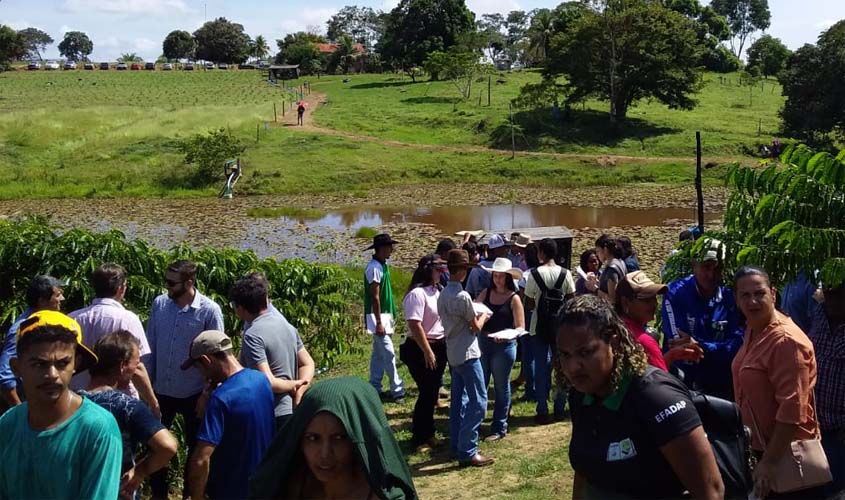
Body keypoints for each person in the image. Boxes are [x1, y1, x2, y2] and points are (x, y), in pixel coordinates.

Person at [558, 295, 724, 500]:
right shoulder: (581, 395)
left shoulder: (655, 397)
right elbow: (585, 471)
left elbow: (711, 492)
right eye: (565, 355)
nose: (574, 366)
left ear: (615, 343)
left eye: (585, 352)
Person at [0, 311, 123, 499]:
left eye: (62, 363)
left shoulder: (97, 429)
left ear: (76, 363)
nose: (52, 374)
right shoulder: (8, 424)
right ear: (16, 367)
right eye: (39, 364)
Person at [731, 266, 826, 499]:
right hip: (759, 449)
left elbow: (793, 411)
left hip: (786, 455)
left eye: (759, 293)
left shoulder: (786, 341)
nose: (753, 301)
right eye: (745, 295)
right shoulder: (754, 329)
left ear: (773, 294)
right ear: (736, 299)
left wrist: (770, 463)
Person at [249, 377, 418, 499]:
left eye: (338, 438)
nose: (325, 454)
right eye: (313, 438)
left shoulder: (381, 495)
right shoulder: (287, 487)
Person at [146, 260, 224, 499]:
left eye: (172, 283)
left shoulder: (209, 310)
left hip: (194, 393)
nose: (167, 287)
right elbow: (150, 347)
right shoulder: (160, 304)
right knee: (156, 445)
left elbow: (218, 355)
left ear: (189, 283)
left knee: (195, 447)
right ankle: (159, 493)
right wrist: (147, 389)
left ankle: (191, 494)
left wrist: (206, 394)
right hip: (161, 391)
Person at [80, 331, 178, 499]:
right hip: (118, 491)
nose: (137, 371)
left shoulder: (73, 401)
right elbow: (167, 446)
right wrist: (140, 472)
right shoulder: (127, 406)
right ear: (122, 366)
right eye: (137, 364)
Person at [182, 330, 275, 500]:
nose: (201, 375)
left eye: (199, 368)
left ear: (206, 360)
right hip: (262, 485)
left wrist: (197, 496)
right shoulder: (261, 380)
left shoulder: (221, 399)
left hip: (231, 489)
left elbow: (202, 459)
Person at [70, 263, 159, 416]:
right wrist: (152, 402)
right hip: (117, 401)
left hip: (78, 399)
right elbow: (136, 367)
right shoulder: (128, 319)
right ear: (121, 288)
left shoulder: (73, 318)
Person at [661, 239, 744, 400]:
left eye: (717, 268)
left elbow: (737, 346)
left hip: (721, 381)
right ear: (694, 264)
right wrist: (718, 348)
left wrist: (701, 345)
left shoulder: (730, 298)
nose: (711, 275)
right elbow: (680, 346)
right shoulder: (674, 293)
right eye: (706, 267)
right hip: (682, 381)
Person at [230, 273, 315, 430]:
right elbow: (308, 363)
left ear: (240, 309)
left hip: (271, 412)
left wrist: (295, 384)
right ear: (267, 301)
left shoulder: (253, 335)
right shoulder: (287, 326)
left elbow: (267, 381)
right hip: (292, 408)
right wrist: (301, 388)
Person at [438, 249, 494, 467]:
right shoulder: (462, 296)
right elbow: (474, 327)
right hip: (468, 353)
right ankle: (468, 450)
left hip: (453, 351)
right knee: (479, 401)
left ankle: (457, 443)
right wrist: (484, 316)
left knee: (458, 400)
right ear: (462, 271)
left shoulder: (443, 294)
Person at [399, 255, 449, 450]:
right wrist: (427, 351)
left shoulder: (437, 291)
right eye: (438, 270)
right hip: (420, 348)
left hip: (438, 345)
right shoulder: (417, 294)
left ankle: (429, 432)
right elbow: (415, 323)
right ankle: (419, 437)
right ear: (428, 270)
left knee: (432, 392)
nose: (441, 273)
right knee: (426, 392)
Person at [524, 238, 574, 424]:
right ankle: (560, 408)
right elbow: (571, 299)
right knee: (561, 367)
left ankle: (542, 409)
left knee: (541, 366)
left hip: (539, 326)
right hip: (561, 327)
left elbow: (528, 303)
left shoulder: (534, 274)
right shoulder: (566, 273)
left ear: (542, 253)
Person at [615, 271, 703, 371]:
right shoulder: (644, 341)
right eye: (647, 300)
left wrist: (672, 355)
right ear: (625, 302)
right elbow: (659, 382)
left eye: (654, 297)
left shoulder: (616, 328)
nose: (655, 303)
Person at [477, 257, 524, 441]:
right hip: (484, 343)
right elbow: (475, 311)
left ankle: (499, 426)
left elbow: (520, 327)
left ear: (508, 278)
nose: (497, 280)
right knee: (481, 384)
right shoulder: (485, 293)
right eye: (495, 276)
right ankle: (477, 422)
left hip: (503, 347)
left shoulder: (514, 298)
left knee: (500, 386)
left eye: (501, 276)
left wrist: (506, 334)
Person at [0, 275, 65, 409]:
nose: (62, 299)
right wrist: (19, 409)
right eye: (57, 295)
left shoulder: (47, 321)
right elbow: (4, 375)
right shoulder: (24, 328)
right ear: (42, 301)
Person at [807, 285, 845, 496]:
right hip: (814, 426)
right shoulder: (820, 313)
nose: (832, 299)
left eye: (839, 293)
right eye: (828, 292)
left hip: (840, 431)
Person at [364, 233, 405, 403]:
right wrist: (379, 322)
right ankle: (398, 390)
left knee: (379, 355)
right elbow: (375, 297)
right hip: (378, 317)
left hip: (386, 315)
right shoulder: (374, 268)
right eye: (389, 247)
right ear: (381, 249)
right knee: (388, 353)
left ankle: (374, 386)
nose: (392, 250)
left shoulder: (383, 265)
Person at [465, 233, 510, 299]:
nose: (507, 250)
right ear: (496, 250)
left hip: (479, 306)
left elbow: (470, 292)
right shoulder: (503, 268)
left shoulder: (476, 268)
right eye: (504, 248)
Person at [595, 234, 627, 303]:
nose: (597, 255)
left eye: (598, 251)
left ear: (605, 250)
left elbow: (612, 299)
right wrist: (597, 283)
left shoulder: (611, 269)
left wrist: (595, 290)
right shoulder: (620, 261)